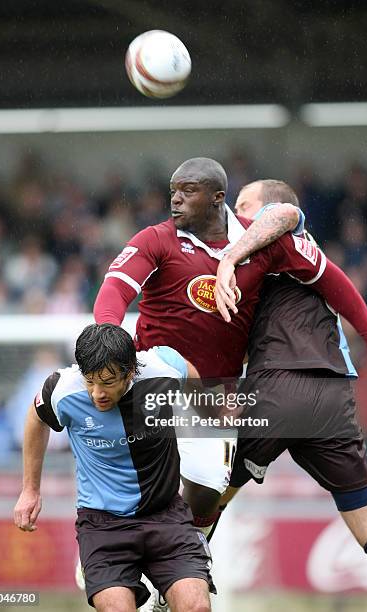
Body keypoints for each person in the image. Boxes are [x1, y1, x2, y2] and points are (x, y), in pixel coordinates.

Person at [94, 157, 304, 534]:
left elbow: (302, 238)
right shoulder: (156, 239)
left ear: (216, 198)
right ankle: (111, 541)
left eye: (187, 192)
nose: (175, 200)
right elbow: (114, 290)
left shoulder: (257, 247)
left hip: (214, 394)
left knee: (207, 489)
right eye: (173, 191)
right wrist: (109, 335)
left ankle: (189, 551)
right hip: (155, 381)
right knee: (148, 485)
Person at [213, 179, 367, 577]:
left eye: (243, 205)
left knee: (208, 498)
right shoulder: (282, 259)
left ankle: (169, 588)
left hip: (277, 387)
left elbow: (283, 214)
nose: (234, 214)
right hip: (332, 398)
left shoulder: (283, 238)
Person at [13, 323, 215, 612]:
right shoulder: (62, 389)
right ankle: (89, 560)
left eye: (107, 382)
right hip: (103, 525)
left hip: (166, 516)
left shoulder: (163, 368)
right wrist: (30, 490)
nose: (97, 393)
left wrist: (212, 415)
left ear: (130, 371)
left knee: (197, 607)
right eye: (90, 381)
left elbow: (192, 377)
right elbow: (36, 419)